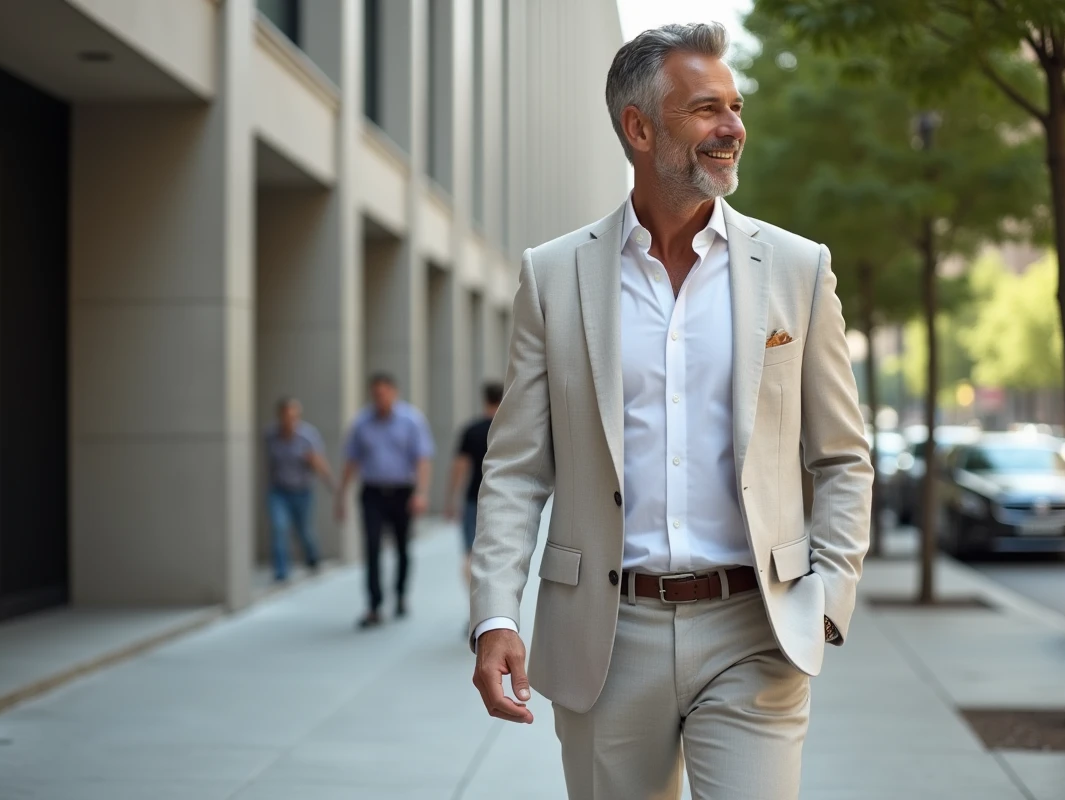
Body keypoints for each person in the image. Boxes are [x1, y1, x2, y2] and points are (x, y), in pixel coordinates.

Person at [469, 22, 872, 800]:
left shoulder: (797, 268)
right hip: (605, 638)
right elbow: (516, 468)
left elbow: (843, 457)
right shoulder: (553, 277)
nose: (732, 129)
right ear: (639, 128)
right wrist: (495, 617)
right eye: (705, 110)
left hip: (756, 629)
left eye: (735, 106)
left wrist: (829, 597)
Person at [337, 373, 434, 629]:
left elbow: (422, 459)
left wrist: (421, 493)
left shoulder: (411, 421)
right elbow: (351, 461)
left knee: (402, 547)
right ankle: (374, 605)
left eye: (383, 393)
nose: (380, 399)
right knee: (371, 547)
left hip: (402, 491)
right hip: (372, 492)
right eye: (375, 394)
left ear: (394, 392)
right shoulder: (361, 423)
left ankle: (401, 594)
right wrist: (341, 496)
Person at [444, 382, 505, 607]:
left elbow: (459, 467)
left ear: (485, 400)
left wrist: (451, 500)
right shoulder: (507, 429)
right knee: (500, 555)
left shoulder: (471, 430)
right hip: (501, 500)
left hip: (473, 499)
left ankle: (475, 608)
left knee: (471, 555)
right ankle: (497, 608)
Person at [265, 397, 335, 582]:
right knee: (279, 527)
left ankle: (312, 558)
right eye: (287, 416)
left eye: (295, 416)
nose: (291, 420)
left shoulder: (308, 435)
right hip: (279, 490)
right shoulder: (271, 435)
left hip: (302, 490)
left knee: (304, 530)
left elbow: (319, 461)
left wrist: (331, 484)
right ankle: (281, 571)